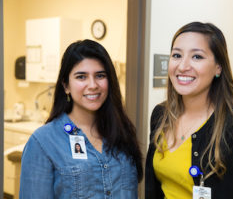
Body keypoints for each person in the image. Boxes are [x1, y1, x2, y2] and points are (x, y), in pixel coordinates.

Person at [145, 22, 233, 199]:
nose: (182, 66)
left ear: (218, 67)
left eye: (197, 57)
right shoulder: (161, 115)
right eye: (176, 55)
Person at [20, 39, 143, 198]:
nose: (92, 85)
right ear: (66, 86)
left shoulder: (122, 132)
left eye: (100, 75)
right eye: (81, 77)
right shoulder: (43, 142)